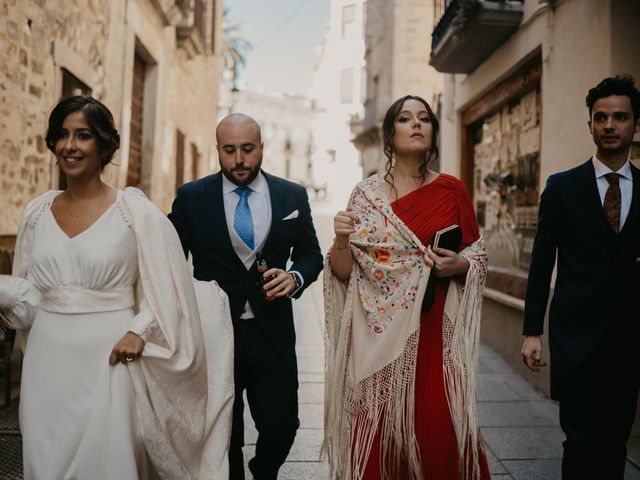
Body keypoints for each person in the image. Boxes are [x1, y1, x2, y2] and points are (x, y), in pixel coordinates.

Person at [0, 95, 233, 479]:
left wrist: (138, 331)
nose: (69, 146)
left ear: (104, 144)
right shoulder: (36, 212)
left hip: (110, 359)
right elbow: (28, 301)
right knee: (46, 464)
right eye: (62, 135)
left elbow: (170, 290)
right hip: (46, 363)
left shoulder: (135, 213)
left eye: (83, 136)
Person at [324, 95, 491, 479]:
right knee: (383, 438)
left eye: (424, 118)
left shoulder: (452, 190)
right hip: (381, 340)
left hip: (436, 336)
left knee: (440, 429)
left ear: (433, 131)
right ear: (390, 133)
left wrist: (458, 265)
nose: (416, 124)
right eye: (405, 118)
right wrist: (342, 241)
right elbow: (344, 273)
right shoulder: (366, 196)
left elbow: (478, 257)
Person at [168, 113, 324, 480]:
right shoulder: (191, 197)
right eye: (230, 150)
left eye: (248, 149)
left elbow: (311, 255)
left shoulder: (292, 194)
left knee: (284, 425)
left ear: (261, 148)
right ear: (218, 150)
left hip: (272, 331)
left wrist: (295, 276)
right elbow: (170, 260)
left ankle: (263, 472)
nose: (239, 159)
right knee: (226, 432)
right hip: (213, 333)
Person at [521, 74, 640, 479]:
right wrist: (532, 330)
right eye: (601, 117)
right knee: (580, 440)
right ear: (589, 124)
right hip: (576, 339)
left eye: (620, 117)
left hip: (629, 339)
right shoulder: (561, 188)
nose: (609, 125)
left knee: (614, 440)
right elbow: (541, 262)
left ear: (635, 126)